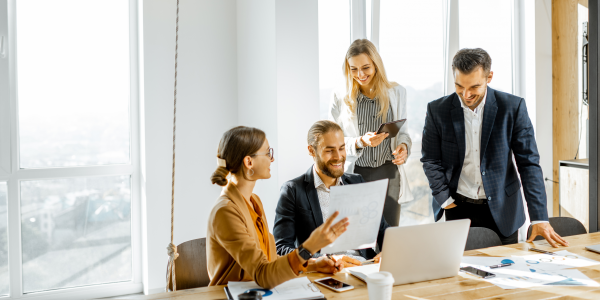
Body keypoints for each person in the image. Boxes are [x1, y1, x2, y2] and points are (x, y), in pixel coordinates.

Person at [421, 48, 568, 247]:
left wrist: (539, 217)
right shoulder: (437, 110)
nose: (466, 94)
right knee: (462, 274)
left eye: (474, 86)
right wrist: (444, 199)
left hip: (503, 209)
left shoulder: (512, 108)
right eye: (459, 86)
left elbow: (528, 164)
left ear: (489, 77)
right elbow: (430, 159)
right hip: (457, 208)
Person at [207, 126, 349, 288]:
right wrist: (310, 246)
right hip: (234, 294)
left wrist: (313, 265)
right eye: (268, 153)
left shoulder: (254, 201)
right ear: (249, 162)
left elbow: (270, 262)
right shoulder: (225, 211)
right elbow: (264, 275)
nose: (272, 159)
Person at [274, 120, 389, 266]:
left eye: (341, 148)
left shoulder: (357, 181)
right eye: (329, 150)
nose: (338, 156)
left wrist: (388, 251)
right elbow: (282, 248)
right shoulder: (292, 190)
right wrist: (324, 260)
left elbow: (383, 229)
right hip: (324, 271)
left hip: (364, 266)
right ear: (311, 151)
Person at [329, 39, 412, 227]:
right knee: (358, 236)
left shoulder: (397, 92)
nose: (360, 74)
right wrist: (360, 142)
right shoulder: (339, 96)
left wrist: (404, 147)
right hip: (357, 173)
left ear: (376, 64)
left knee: (389, 237)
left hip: (389, 173)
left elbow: (403, 133)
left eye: (366, 67)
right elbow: (332, 141)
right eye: (353, 69)